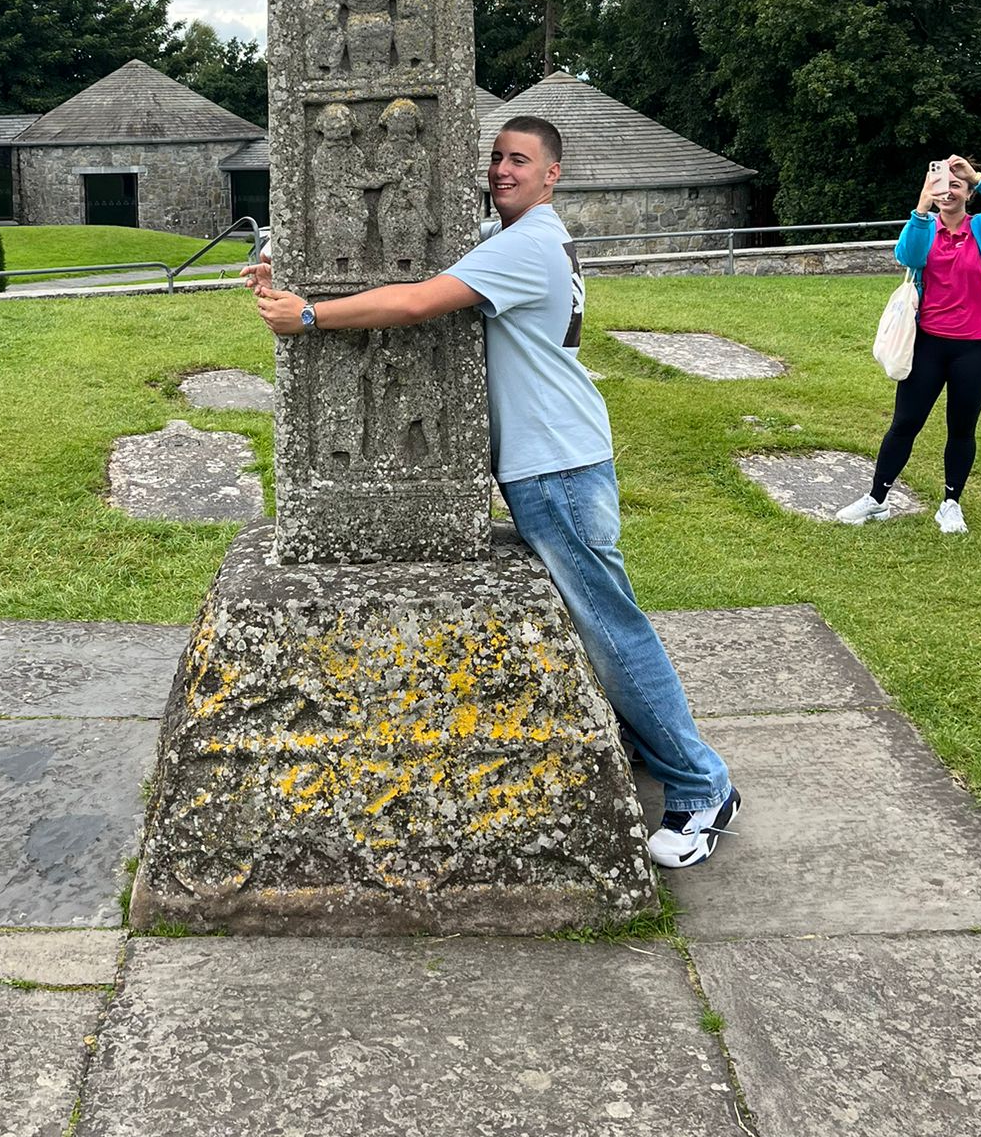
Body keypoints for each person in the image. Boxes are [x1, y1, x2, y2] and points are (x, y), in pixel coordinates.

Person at [252, 115, 739, 871]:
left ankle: (702, 787)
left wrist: (309, 316)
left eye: (520, 160)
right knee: (603, 624)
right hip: (557, 457)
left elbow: (417, 301)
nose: (502, 169)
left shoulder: (526, 246)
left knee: (613, 629)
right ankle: (659, 751)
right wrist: (291, 261)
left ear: (553, 174)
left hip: (558, 466)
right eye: (497, 158)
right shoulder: (516, 239)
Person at [838, 155, 981, 535]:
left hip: (975, 348)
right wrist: (922, 204)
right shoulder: (927, 228)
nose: (948, 192)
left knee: (961, 427)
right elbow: (906, 256)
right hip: (928, 344)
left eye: (956, 186)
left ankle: (950, 504)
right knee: (905, 423)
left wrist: (976, 176)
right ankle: (877, 499)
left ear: (970, 194)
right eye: (943, 186)